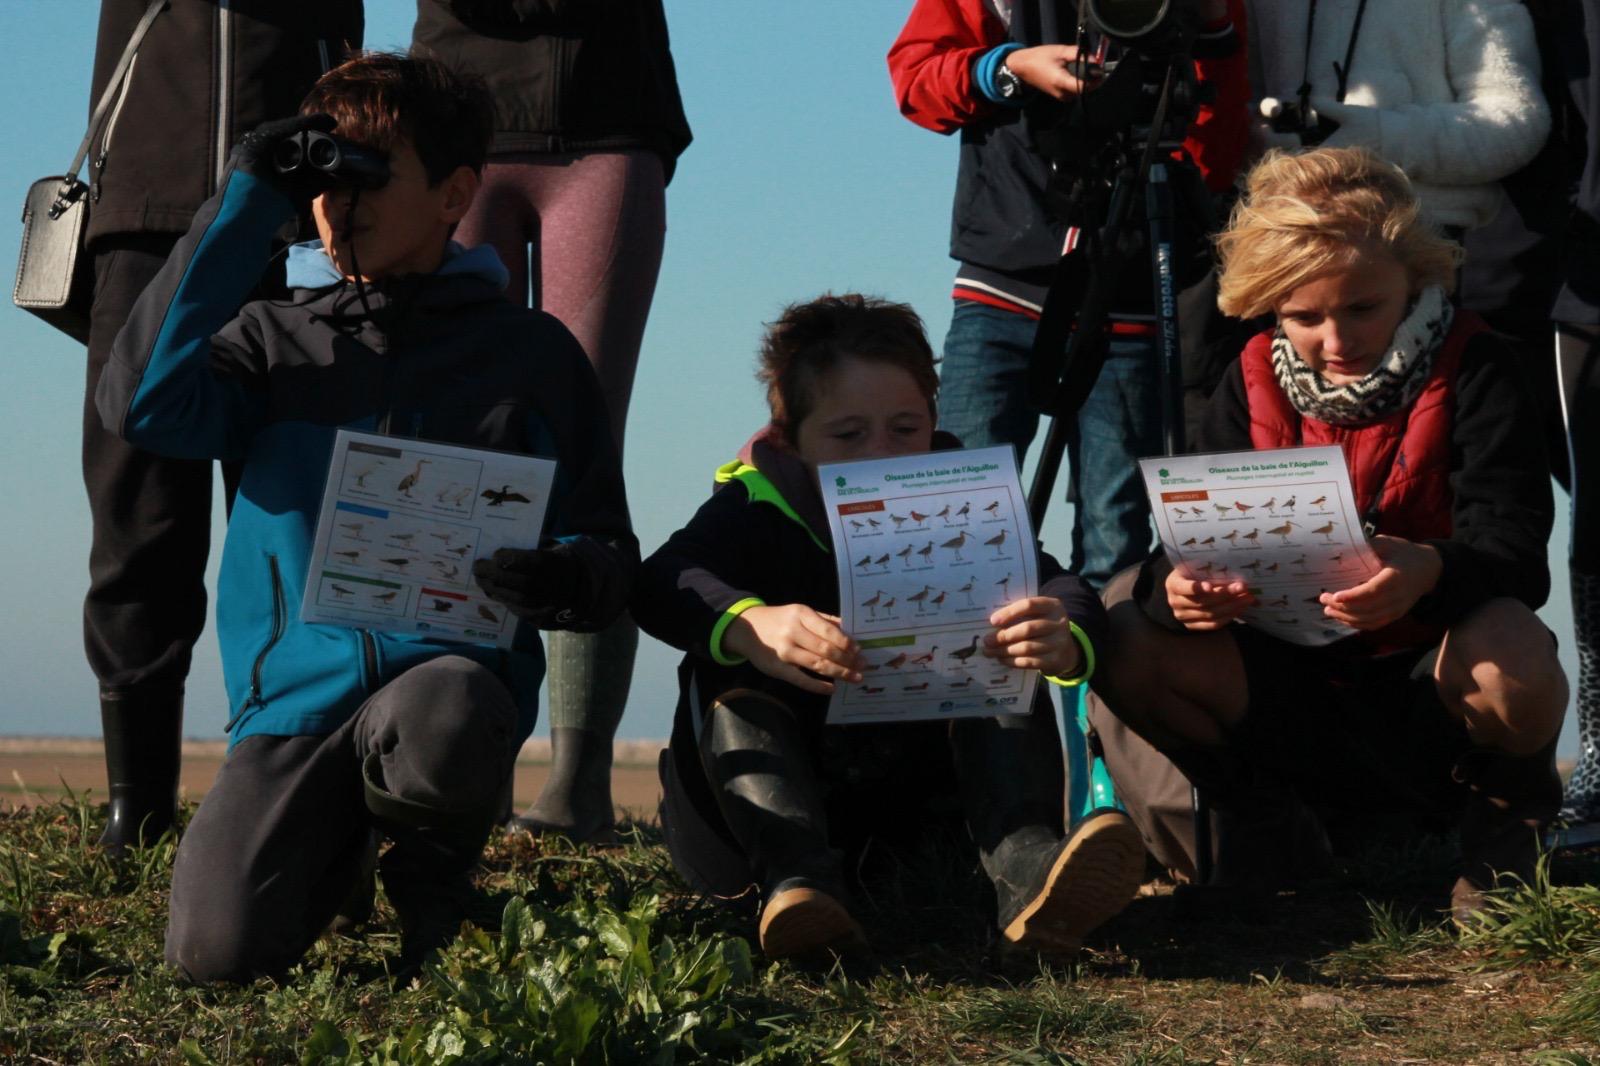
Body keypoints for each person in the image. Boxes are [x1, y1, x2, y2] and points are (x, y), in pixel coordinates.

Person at [95, 52, 637, 982]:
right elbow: (139, 406)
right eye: (322, 180)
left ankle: (435, 891)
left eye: (369, 175)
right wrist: (245, 201)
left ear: (454, 193)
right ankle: (335, 849)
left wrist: (565, 575)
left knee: (451, 707)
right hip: (293, 707)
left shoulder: (531, 355)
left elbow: (610, 547)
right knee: (213, 957)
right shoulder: (270, 342)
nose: (338, 203)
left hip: (444, 697)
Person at [1091, 147, 1566, 922]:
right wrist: (1175, 593)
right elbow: (1189, 543)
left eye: (1362, 308)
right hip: (1291, 693)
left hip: (1427, 696)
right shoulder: (1245, 377)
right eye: (1305, 317)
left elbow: (1515, 549)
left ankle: (1504, 842)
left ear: (1414, 277)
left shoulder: (1477, 362)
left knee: (1511, 641)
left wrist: (1429, 570)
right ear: (1268, 305)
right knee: (1127, 625)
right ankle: (1268, 838)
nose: (1336, 340)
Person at [634, 295, 1145, 960]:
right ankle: (796, 888)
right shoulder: (751, 507)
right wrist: (751, 623)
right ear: (787, 439)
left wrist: (1061, 631)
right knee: (727, 656)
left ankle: (1028, 870)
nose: (880, 454)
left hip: (922, 822)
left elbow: (1061, 585)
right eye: (847, 436)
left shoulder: (964, 505)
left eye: (905, 429)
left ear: (933, 421)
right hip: (751, 839)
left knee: (1005, 639)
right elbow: (659, 582)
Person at [82, 0, 363, 854]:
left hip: (305, 206)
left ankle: (295, 787)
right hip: (145, 198)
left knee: (301, 520)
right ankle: (138, 804)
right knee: (135, 518)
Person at [413, 0, 692, 842]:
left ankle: (579, 783)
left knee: (584, 458)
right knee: (458, 458)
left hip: (610, 122)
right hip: (456, 124)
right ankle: (467, 766)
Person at [886, 0, 1250, 590]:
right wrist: (1012, 68)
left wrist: (1206, 28)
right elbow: (916, 81)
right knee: (958, 516)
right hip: (1002, 276)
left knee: (1115, 538)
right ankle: (967, 653)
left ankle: (1096, 650)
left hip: (1128, 284)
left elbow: (1219, 141)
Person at [1245, 0, 1549, 235]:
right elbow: (1241, 97)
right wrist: (1258, 136)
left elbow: (1516, 121)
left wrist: (1381, 137)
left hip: (1415, 235)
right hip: (1282, 228)